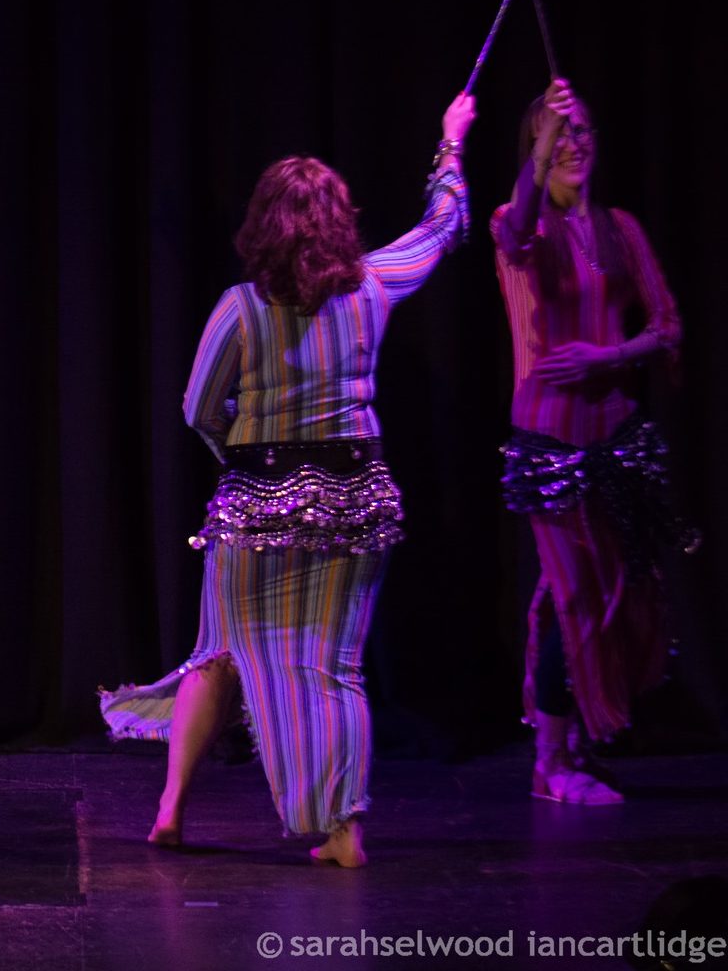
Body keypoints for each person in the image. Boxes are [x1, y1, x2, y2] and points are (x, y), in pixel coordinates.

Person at [100, 95, 475, 868]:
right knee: (333, 669)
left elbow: (199, 406)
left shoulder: (240, 311)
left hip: (258, 514)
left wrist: (242, 450)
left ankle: (172, 807)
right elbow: (441, 231)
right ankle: (343, 829)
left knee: (220, 652)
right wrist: (450, 147)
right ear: (340, 224)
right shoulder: (373, 286)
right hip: (357, 507)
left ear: (262, 225)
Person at [492, 78, 693, 805]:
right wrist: (543, 131)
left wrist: (608, 358)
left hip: (618, 438)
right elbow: (514, 228)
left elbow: (666, 325)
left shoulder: (622, 229)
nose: (574, 146)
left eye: (582, 133)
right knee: (575, 596)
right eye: (557, 137)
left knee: (616, 593)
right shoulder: (521, 229)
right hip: (551, 441)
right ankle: (551, 764)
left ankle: (572, 733)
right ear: (536, 154)